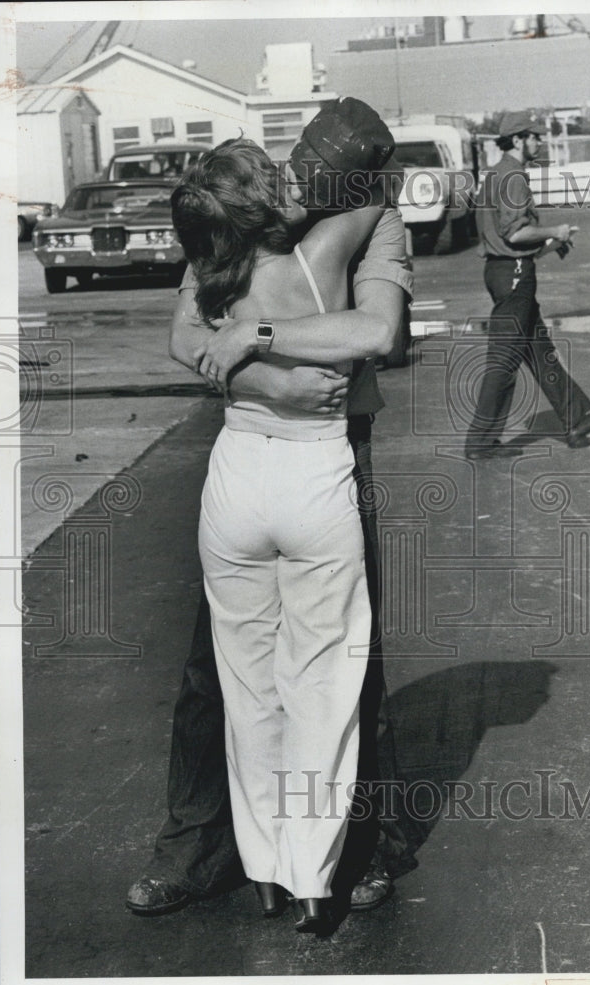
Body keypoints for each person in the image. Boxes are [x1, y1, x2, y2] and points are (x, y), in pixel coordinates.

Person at [126, 103, 412, 925]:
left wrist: (254, 332)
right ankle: (203, 847)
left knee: (352, 663)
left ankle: (363, 849)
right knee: (217, 669)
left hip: (330, 447)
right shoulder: (244, 207)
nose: (312, 170)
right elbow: (186, 336)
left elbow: (379, 329)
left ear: (362, 174)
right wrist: (271, 375)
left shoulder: (369, 220)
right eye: (306, 152)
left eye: (336, 161)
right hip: (271, 436)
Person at [465, 110, 590, 459]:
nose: (539, 142)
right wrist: (555, 231)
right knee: (503, 362)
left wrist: (550, 245)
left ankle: (576, 419)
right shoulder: (512, 177)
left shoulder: (495, 175)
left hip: (506, 271)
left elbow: (500, 241)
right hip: (513, 276)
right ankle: (479, 442)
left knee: (540, 352)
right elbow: (515, 233)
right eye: (534, 137)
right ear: (518, 140)